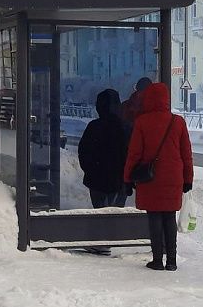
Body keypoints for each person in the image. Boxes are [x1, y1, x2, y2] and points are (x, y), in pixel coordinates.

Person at [123, 83, 194, 271]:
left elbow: (134, 153)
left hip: (150, 178)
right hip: (173, 177)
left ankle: (157, 259)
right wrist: (188, 179)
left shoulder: (142, 122)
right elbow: (186, 154)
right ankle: (171, 260)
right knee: (169, 217)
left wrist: (128, 178)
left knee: (154, 217)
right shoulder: (177, 122)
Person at [78, 89, 131, 209]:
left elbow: (83, 152)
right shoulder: (125, 128)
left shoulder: (93, 127)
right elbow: (131, 154)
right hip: (120, 181)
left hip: (96, 181)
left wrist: (91, 171)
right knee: (117, 217)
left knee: (99, 217)